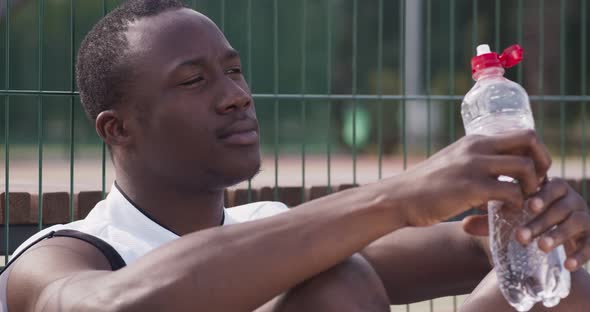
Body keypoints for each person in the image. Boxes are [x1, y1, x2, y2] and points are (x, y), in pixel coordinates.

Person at [2, 1, 590, 311]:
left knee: (559, 293)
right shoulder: (58, 257)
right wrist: (396, 196)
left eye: (234, 71)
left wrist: (547, 226)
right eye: (193, 82)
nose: (237, 96)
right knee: (335, 281)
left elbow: (478, 248)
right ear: (118, 129)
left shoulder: (270, 229)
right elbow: (105, 309)